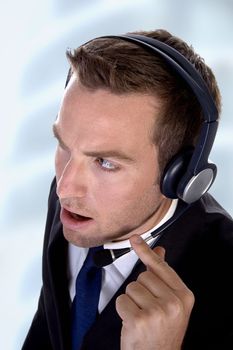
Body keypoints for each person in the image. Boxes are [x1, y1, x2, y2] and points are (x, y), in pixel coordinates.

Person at [22, 29, 233, 350]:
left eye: (105, 162)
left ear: (181, 175)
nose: (65, 187)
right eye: (63, 144)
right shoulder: (74, 197)